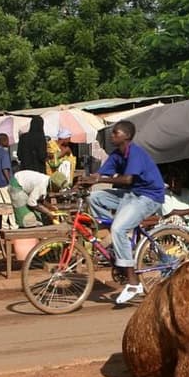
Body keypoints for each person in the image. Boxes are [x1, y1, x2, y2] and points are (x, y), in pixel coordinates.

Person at [79, 120, 165, 305]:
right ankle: (117, 235)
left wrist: (98, 179)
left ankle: (133, 283)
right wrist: (85, 180)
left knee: (118, 228)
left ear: (126, 136)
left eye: (115, 133)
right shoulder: (117, 155)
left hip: (148, 197)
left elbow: (127, 179)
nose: (112, 136)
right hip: (130, 195)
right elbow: (99, 175)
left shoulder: (135, 153)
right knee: (94, 198)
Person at [0, 133, 16, 227]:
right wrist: (9, 181)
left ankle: (3, 225)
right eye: (7, 140)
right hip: (4, 182)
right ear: (3, 141)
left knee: (1, 205)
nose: (8, 142)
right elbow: (5, 168)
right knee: (9, 204)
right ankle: (13, 225)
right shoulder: (4, 153)